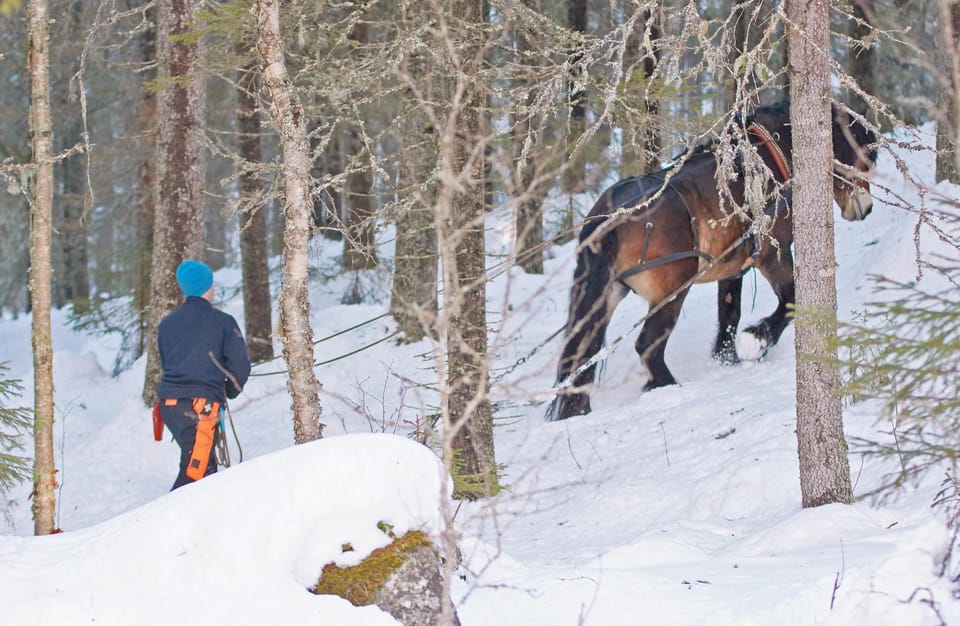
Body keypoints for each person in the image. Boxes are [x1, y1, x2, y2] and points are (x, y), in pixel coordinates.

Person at [155, 260, 251, 490]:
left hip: (169, 406)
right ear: (209, 286)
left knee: (204, 467)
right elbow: (241, 366)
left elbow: (167, 362)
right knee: (195, 473)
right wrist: (229, 390)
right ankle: (160, 521)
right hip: (200, 408)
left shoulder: (167, 324)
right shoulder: (223, 322)